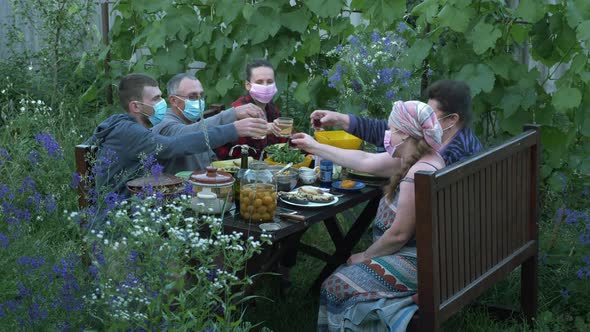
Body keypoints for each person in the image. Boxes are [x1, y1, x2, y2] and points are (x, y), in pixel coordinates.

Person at [296, 101, 446, 331]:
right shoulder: (420, 157)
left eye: (392, 129)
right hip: (429, 257)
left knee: (334, 285)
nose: (388, 135)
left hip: (418, 264)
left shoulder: (417, 173)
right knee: (340, 274)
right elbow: (365, 161)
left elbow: (398, 235)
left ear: (405, 135)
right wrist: (314, 146)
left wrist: (366, 255)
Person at [85, 73, 268, 196]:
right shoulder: (128, 131)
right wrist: (234, 128)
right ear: (136, 106)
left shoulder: (134, 128)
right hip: (121, 220)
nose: (162, 104)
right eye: (156, 99)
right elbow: (174, 145)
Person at [309, 79, 483, 176]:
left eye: (431, 111)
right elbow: (387, 131)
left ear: (452, 119)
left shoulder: (458, 155)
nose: (425, 114)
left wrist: (315, 146)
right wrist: (340, 119)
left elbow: (371, 161)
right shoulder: (439, 135)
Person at [151, 73, 267, 174]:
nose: (198, 101)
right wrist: (233, 116)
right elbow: (187, 137)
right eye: (192, 96)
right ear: (173, 100)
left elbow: (208, 158)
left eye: (201, 96)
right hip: (180, 194)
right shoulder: (164, 123)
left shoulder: (193, 121)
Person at [214, 59, 287, 160]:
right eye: (259, 82)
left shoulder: (272, 108)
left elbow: (284, 138)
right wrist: (265, 129)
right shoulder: (239, 110)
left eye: (270, 82)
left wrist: (301, 139)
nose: (265, 86)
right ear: (248, 85)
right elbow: (237, 152)